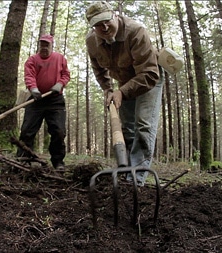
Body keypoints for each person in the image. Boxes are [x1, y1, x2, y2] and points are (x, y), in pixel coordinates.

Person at [85, 1, 164, 186]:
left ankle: (136, 179)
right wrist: (107, 89)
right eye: (98, 24)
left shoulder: (135, 31)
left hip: (148, 77)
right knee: (127, 128)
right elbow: (98, 68)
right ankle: (126, 170)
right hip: (123, 81)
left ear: (115, 15)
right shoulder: (91, 41)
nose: (104, 27)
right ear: (92, 26)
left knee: (143, 124)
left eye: (107, 21)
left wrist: (122, 91)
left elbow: (150, 74)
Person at [18, 34, 70, 170]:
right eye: (42, 45)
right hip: (36, 100)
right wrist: (33, 89)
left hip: (55, 100)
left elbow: (66, 74)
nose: (44, 47)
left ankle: (58, 162)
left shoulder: (60, 58)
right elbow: (29, 75)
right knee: (27, 131)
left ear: (51, 46)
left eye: (47, 45)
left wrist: (60, 84)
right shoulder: (32, 60)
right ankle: (23, 159)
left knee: (58, 131)